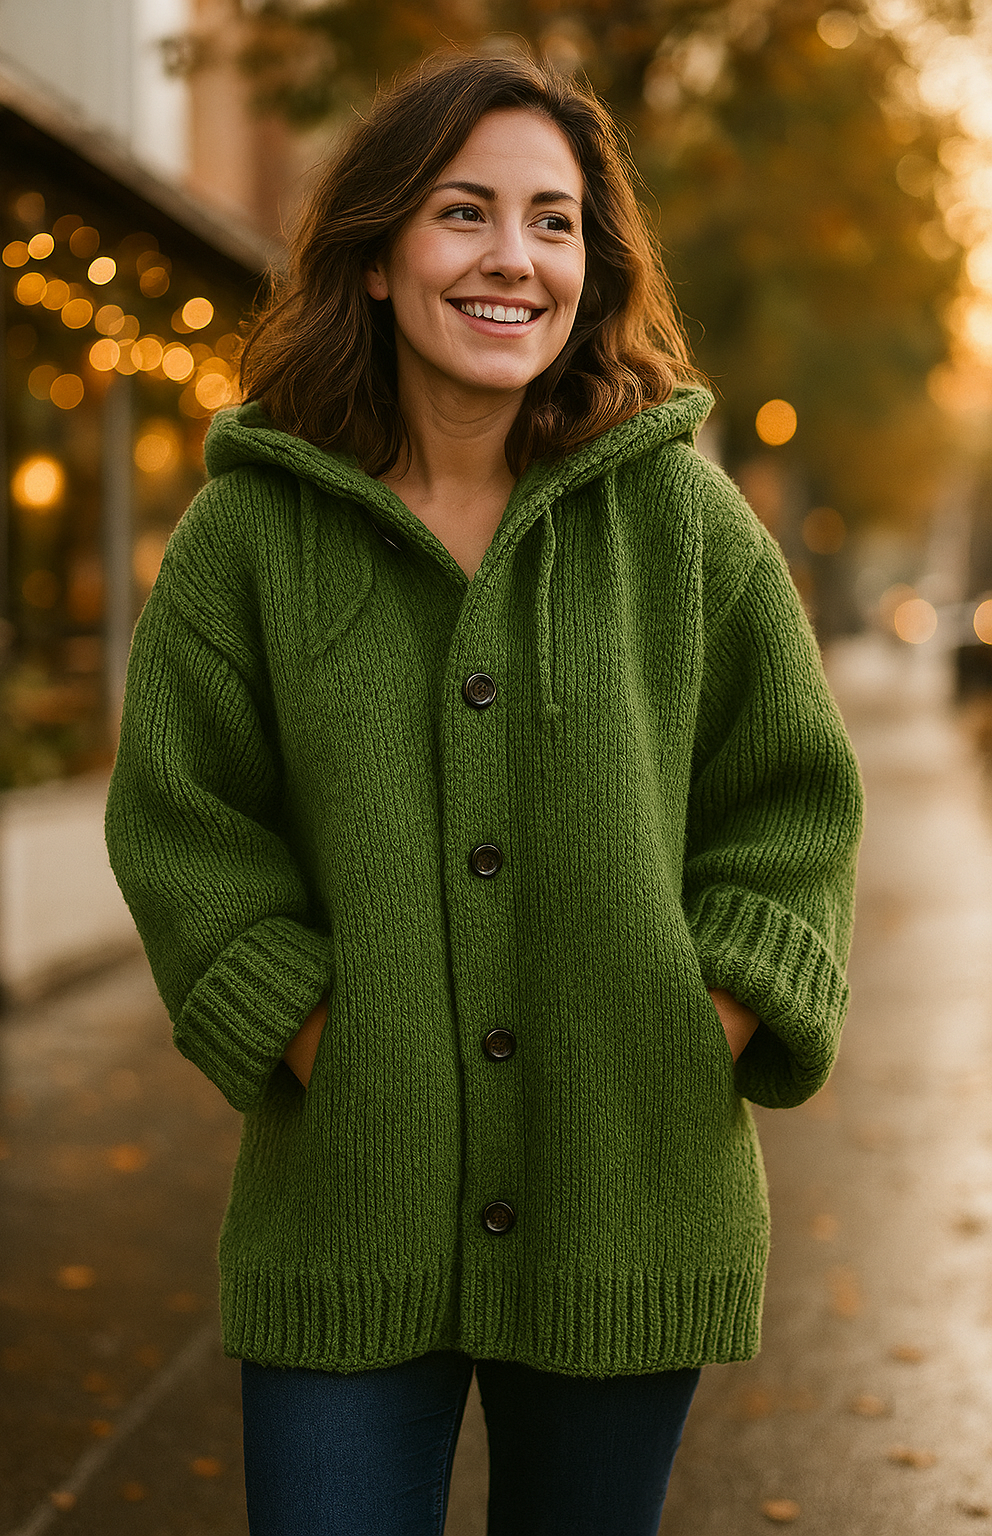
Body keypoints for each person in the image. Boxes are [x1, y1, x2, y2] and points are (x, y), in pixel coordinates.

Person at [105, 50, 863, 1536]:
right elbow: (183, 822)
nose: (514, 258)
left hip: (628, 1196)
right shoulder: (249, 532)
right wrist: (322, 1041)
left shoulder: (682, 518)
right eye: (465, 213)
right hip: (345, 1208)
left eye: (555, 221)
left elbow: (792, 806)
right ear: (381, 255)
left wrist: (695, 1017)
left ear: (594, 261)